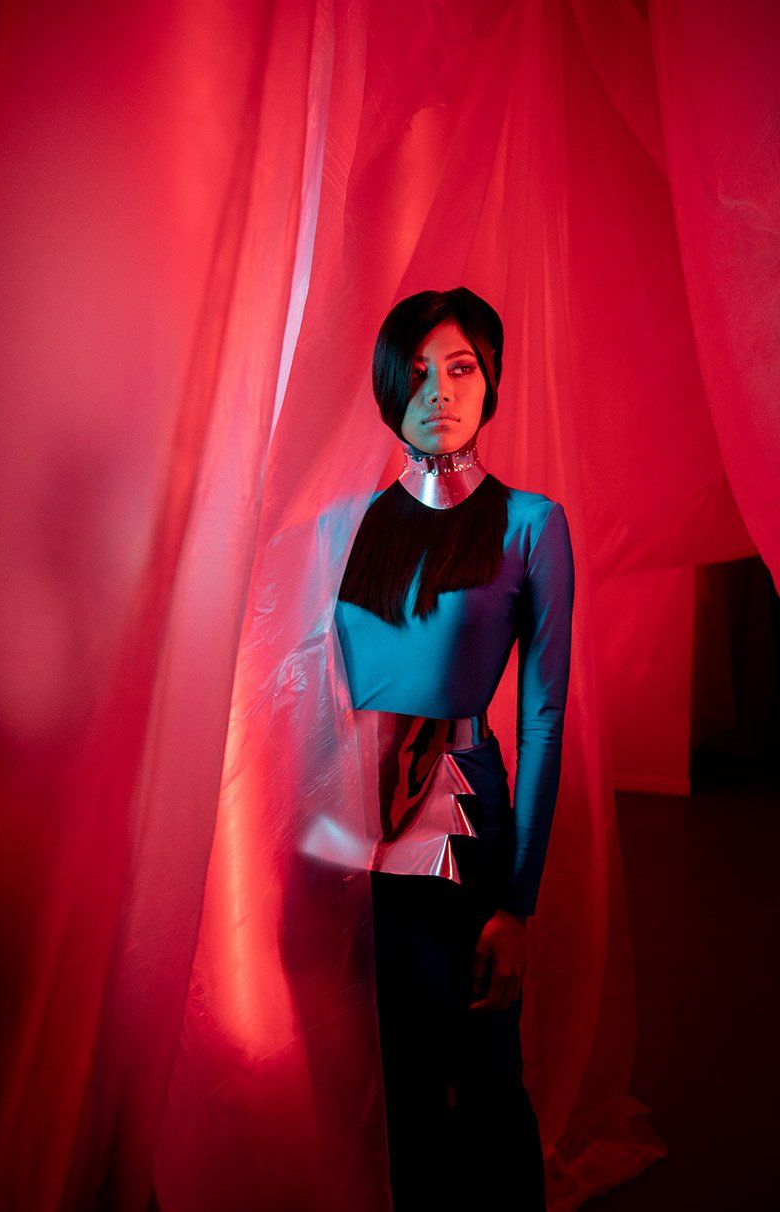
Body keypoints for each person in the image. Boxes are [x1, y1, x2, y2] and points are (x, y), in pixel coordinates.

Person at [282, 286, 574, 1211]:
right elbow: (306, 692)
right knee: (374, 1064)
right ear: (387, 388)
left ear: (491, 383)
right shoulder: (342, 526)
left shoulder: (532, 525)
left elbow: (543, 716)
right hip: (340, 827)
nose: (439, 392)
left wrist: (518, 904)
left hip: (462, 818)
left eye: (461, 368)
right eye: (416, 374)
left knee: (484, 1067)